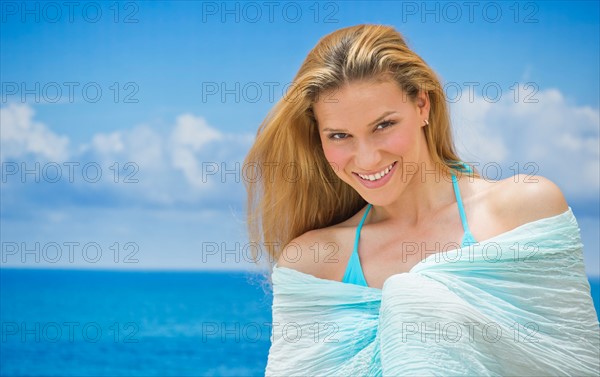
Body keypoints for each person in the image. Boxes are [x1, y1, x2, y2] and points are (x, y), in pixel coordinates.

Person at [243, 24, 599, 376]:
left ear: (422, 105)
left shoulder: (523, 211)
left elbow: (576, 363)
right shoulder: (313, 263)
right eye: (340, 135)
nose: (366, 159)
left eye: (383, 125)